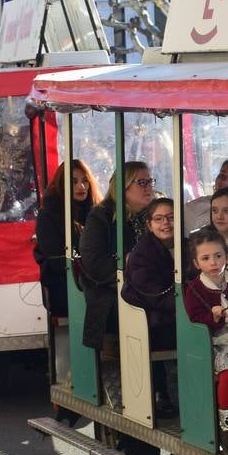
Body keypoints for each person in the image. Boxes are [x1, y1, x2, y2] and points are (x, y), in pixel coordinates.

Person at [79, 163, 148, 406]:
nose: (148, 188)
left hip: (149, 288)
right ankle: (128, 388)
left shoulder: (154, 214)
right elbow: (93, 262)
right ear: (123, 187)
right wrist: (126, 265)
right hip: (109, 291)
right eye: (142, 183)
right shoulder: (102, 216)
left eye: (150, 182)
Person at [183, 229, 228, 455]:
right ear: (196, 262)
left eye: (218, 256)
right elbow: (194, 321)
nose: (213, 262)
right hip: (215, 344)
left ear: (226, 256)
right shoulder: (194, 289)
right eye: (206, 258)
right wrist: (213, 317)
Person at [122, 197, 178, 416]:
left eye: (171, 217)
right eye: (159, 218)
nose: (166, 223)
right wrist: (185, 306)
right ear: (149, 224)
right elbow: (153, 294)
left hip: (174, 315)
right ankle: (166, 394)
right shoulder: (142, 254)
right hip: (155, 321)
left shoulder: (188, 245)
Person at [33, 160, 99, 317]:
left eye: (85, 181)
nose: (81, 187)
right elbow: (58, 262)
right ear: (62, 184)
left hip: (96, 278)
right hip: (63, 282)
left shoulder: (98, 212)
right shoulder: (49, 215)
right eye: (74, 181)